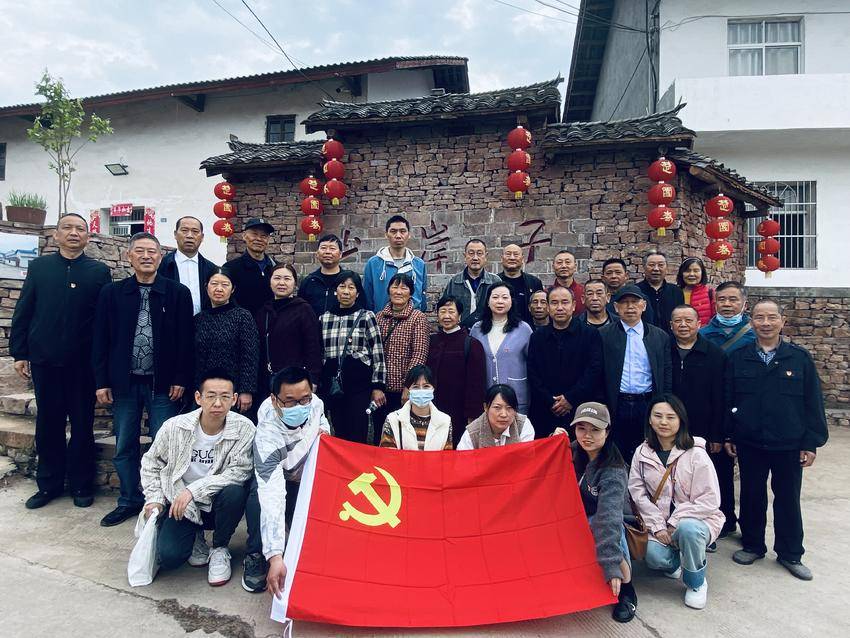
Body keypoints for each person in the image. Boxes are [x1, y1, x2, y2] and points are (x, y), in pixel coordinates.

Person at [93, 232, 194, 527]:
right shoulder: (112, 293)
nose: (146, 256)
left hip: (163, 385)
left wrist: (180, 378)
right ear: (129, 256)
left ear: (161, 257)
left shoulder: (177, 293)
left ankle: (160, 501)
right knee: (125, 444)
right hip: (124, 384)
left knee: (163, 446)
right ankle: (128, 499)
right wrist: (101, 381)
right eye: (140, 251)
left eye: (152, 251)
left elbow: (185, 341)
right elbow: (100, 339)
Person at [11, 213, 112, 510]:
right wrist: (20, 352)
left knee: (82, 425)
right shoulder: (39, 268)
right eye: (67, 228)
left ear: (88, 237)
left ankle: (81, 484)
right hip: (45, 360)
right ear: (56, 235)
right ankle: (49, 484)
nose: (73, 233)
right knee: (48, 424)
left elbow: (104, 321)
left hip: (83, 365)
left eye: (80, 229)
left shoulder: (98, 272)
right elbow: (24, 310)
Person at [724, 299, 828, 580]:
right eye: (759, 317)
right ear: (751, 322)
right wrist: (729, 434)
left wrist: (810, 443)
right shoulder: (739, 357)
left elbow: (813, 402)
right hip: (750, 441)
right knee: (751, 495)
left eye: (772, 317)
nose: (766, 323)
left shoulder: (799, 358)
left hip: (789, 443)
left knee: (787, 498)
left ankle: (790, 553)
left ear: (783, 321)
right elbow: (729, 398)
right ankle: (752, 545)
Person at [140, 370, 255, 587]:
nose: (218, 403)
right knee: (169, 557)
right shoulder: (175, 426)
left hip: (217, 501)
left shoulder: (244, 428)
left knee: (235, 491)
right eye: (211, 396)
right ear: (198, 398)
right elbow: (151, 462)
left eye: (225, 396)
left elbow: (240, 471)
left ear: (234, 399)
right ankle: (195, 536)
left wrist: (194, 490)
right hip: (181, 504)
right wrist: (154, 498)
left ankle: (220, 547)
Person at [629, 395, 725, 610]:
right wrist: (658, 526)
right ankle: (673, 563)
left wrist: (675, 522)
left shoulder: (696, 454)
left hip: (697, 521)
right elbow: (637, 494)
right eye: (658, 416)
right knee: (651, 555)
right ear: (650, 420)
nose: (664, 422)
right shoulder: (642, 453)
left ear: (681, 420)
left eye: (670, 417)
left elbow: (709, 500)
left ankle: (696, 582)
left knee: (688, 529)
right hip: (659, 524)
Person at [553, 402, 636, 623]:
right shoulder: (571, 450)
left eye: (595, 430)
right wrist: (552, 443)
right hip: (573, 515)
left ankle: (627, 589)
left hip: (605, 519)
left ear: (607, 432)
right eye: (581, 428)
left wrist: (611, 564)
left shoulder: (613, 470)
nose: (587, 436)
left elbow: (609, 517)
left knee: (604, 526)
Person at [254, 366, 331, 598]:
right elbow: (272, 495)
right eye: (289, 401)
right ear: (274, 400)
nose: (299, 407)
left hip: (303, 474)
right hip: (276, 476)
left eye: (304, 399)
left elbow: (322, 424)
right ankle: (256, 554)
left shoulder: (315, 404)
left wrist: (323, 434)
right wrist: (275, 556)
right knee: (257, 501)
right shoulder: (267, 436)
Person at [670, 305, 735, 540]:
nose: (683, 325)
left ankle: (721, 524)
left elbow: (722, 397)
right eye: (678, 321)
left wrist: (718, 434)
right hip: (671, 427)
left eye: (688, 320)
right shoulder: (665, 351)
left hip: (706, 429)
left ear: (699, 324)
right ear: (671, 325)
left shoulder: (715, 354)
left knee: (713, 477)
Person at [599, 284, 671, 461]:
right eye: (624, 303)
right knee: (616, 453)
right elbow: (598, 372)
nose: (630, 307)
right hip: (617, 403)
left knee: (647, 452)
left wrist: (664, 401)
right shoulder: (603, 335)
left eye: (634, 302)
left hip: (647, 402)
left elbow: (666, 372)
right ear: (616, 307)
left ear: (643, 305)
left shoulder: (659, 336)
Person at [319, 270, 386, 444]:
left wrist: (378, 386)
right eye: (342, 287)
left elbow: (377, 352)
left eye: (351, 287)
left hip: (359, 388)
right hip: (334, 387)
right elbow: (321, 353)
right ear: (336, 291)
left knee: (358, 433)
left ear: (357, 293)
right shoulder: (324, 319)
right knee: (339, 432)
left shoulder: (366, 316)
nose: (346, 291)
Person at [527, 286, 603, 437]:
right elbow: (532, 372)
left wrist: (570, 398)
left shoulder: (590, 334)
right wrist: (550, 401)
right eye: (554, 303)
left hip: (579, 408)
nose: (560, 307)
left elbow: (594, 370)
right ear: (548, 307)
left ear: (574, 305)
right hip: (546, 409)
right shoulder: (537, 337)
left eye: (565, 302)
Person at [193, 270, 259, 415]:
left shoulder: (242, 317)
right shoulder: (199, 319)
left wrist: (246, 390)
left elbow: (250, 356)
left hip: (232, 391)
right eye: (214, 284)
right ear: (206, 287)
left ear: (233, 289)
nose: (219, 289)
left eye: (225, 284)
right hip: (204, 390)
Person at [373, 273, 430, 439]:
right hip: (381, 391)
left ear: (410, 293)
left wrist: (409, 386)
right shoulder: (378, 317)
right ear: (388, 290)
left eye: (404, 288)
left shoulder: (418, 318)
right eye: (395, 287)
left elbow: (419, 354)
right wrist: (376, 387)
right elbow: (373, 354)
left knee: (404, 435)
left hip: (404, 392)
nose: (398, 291)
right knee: (381, 434)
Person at [426, 296, 486, 447]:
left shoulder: (471, 344)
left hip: (459, 412)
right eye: (442, 311)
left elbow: (476, 384)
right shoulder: (431, 342)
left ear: (459, 316)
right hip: (433, 410)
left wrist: (473, 415)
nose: (446, 316)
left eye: (451, 312)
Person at [255, 263, 322, 392]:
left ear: (295, 283)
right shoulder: (263, 312)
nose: (281, 283)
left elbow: (313, 347)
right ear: (270, 282)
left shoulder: (304, 309)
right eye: (277, 278)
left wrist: (313, 379)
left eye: (287, 278)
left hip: (296, 381)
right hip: (267, 380)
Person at [470, 283, 534, 415]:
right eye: (495, 297)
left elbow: (534, 364)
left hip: (516, 397)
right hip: (487, 399)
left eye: (505, 297)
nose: (500, 301)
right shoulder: (477, 329)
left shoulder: (524, 329)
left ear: (511, 301)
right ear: (488, 302)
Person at [363, 215, 428, 312]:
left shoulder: (419, 264)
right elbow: (367, 296)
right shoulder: (373, 264)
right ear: (386, 234)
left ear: (409, 235)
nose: (398, 236)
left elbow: (422, 295)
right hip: (381, 317)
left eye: (402, 231)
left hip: (413, 319)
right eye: (393, 231)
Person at [379, 365, 453, 450]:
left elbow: (447, 456)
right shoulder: (393, 419)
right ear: (408, 390)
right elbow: (387, 455)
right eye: (416, 387)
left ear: (433, 388)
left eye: (426, 386)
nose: (421, 390)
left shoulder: (445, 421)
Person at [158, 216, 218, 315]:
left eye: (195, 231)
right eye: (184, 230)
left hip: (203, 323)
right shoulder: (162, 266)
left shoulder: (211, 269)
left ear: (202, 237)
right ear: (175, 234)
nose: (190, 236)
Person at [222, 218, 276, 316]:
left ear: (268, 240)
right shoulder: (231, 268)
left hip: (272, 323)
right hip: (241, 323)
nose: (259, 239)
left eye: (263, 236)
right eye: (254, 234)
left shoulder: (276, 268)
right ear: (244, 236)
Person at [441, 238, 500, 327]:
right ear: (465, 256)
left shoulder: (495, 281)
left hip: (488, 330)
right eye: (471, 253)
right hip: (461, 331)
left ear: (485, 256)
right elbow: (445, 308)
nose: (475, 258)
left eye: (479, 253)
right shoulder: (455, 282)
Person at [456, 384, 535, 450]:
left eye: (509, 408)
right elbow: (463, 461)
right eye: (497, 407)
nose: (504, 414)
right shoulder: (472, 433)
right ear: (486, 407)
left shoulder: (523, 425)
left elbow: (526, 459)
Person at [300, 234, 359, 318]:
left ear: (340, 254)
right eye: (323, 248)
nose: (327, 252)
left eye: (332, 248)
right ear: (317, 253)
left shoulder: (350, 281)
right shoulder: (309, 281)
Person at [700, 281, 755, 354]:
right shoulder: (701, 334)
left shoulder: (756, 333)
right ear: (715, 304)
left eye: (733, 300)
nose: (726, 304)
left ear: (745, 305)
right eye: (721, 299)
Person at [637, 250, 683, 335]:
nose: (656, 269)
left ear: (667, 268)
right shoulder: (636, 291)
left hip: (671, 339)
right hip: (644, 338)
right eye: (651, 265)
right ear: (644, 267)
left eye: (661, 265)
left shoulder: (676, 291)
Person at [498, 243, 543, 326]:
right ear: (502, 258)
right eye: (508, 254)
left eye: (516, 254)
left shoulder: (534, 282)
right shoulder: (494, 281)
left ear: (522, 259)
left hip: (528, 330)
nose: (512, 258)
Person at [603, 257, 654, 324]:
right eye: (609, 273)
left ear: (626, 276)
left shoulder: (640, 297)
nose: (614, 276)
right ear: (603, 278)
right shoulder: (600, 300)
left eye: (618, 272)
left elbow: (648, 324)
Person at [677, 257, 714, 326]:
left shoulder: (710, 292)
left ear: (702, 273)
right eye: (687, 271)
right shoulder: (674, 292)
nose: (691, 274)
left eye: (696, 271)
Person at [549, 249, 585, 315]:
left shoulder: (584, 292)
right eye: (559, 263)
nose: (564, 266)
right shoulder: (547, 293)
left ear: (575, 267)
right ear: (553, 267)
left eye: (568, 262)